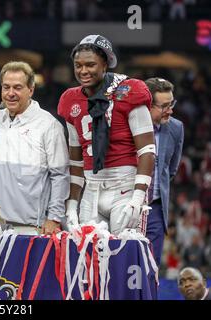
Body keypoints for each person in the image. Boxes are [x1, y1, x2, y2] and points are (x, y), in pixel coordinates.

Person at [57, 35, 155, 235]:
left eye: (90, 64)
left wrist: (137, 198)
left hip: (124, 186)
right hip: (91, 189)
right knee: (90, 257)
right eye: (78, 65)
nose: (83, 71)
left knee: (125, 254)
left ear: (105, 65)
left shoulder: (129, 90)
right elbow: (76, 160)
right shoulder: (70, 99)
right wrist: (72, 204)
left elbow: (147, 150)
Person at [0, 61, 70, 235]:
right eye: (6, 87)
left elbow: (60, 175)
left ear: (31, 89)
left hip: (29, 227)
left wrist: (54, 218)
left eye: (17, 87)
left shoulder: (49, 125)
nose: (10, 93)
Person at [144, 77, 184, 266]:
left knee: (152, 266)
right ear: (147, 105)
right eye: (165, 106)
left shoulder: (176, 128)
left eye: (172, 103)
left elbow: (171, 169)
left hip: (156, 208)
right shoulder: (127, 124)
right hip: (126, 204)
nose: (171, 110)